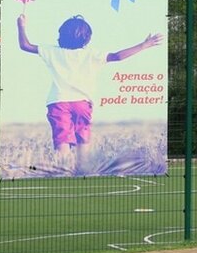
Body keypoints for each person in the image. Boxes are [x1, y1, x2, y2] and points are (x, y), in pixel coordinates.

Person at [16, 13, 162, 175]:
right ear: (87, 39)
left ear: (61, 35)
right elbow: (117, 56)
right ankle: (83, 172)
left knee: (62, 139)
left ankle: (63, 172)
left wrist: (21, 25)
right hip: (82, 103)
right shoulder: (92, 54)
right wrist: (143, 45)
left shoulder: (52, 51)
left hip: (58, 102)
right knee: (82, 139)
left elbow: (25, 45)